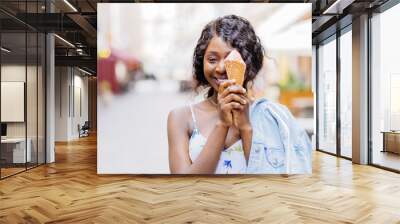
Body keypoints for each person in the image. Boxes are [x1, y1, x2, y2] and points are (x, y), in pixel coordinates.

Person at [167, 15, 312, 174]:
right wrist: (222, 125)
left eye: (230, 58)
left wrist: (245, 128)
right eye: (212, 59)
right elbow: (181, 185)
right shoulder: (181, 117)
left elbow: (271, 183)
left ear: (248, 63)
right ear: (202, 61)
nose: (221, 68)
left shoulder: (270, 116)